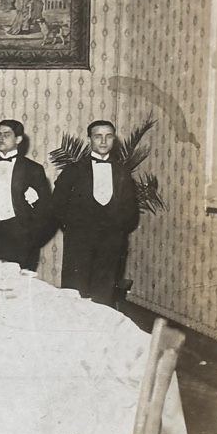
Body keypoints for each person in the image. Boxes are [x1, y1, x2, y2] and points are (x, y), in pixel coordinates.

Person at [52, 119, 141, 306]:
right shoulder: (74, 170)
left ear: (114, 140)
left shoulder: (122, 172)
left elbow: (130, 209)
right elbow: (57, 204)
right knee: (75, 293)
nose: (103, 141)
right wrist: (73, 228)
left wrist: (117, 230)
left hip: (110, 243)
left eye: (108, 136)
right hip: (79, 242)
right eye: (98, 136)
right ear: (89, 140)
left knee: (103, 293)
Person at [0, 120, 56, 269]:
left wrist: (31, 237)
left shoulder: (33, 169)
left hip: (17, 235)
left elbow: (45, 209)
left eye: (7, 135)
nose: (0, 138)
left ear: (19, 139)